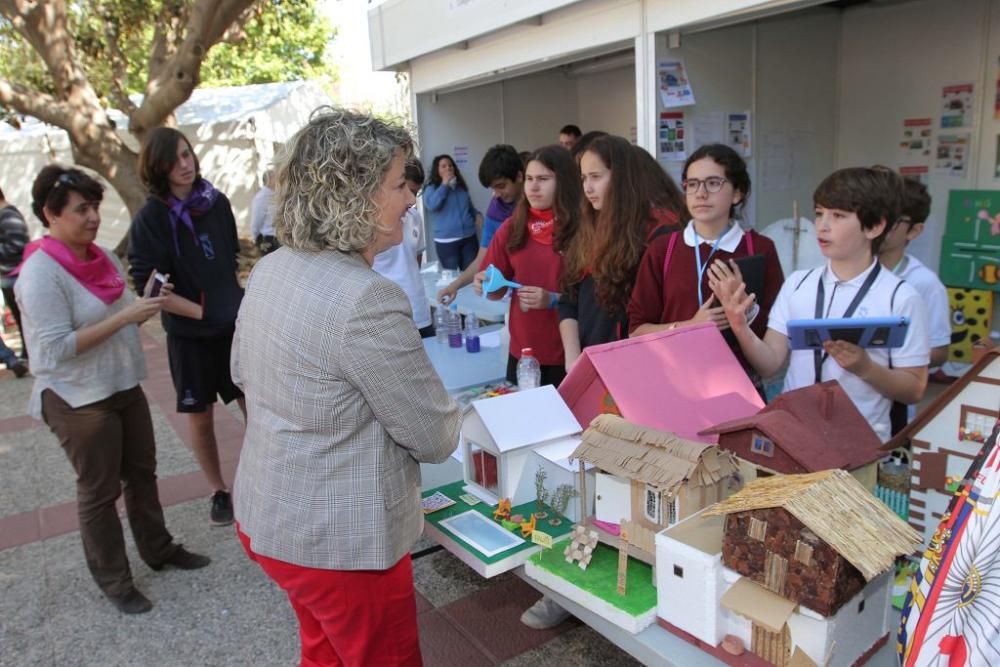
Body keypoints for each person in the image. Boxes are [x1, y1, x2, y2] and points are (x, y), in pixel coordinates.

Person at [232, 107, 460, 667]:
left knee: (324, 653)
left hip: (271, 517)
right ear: (352, 192)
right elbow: (432, 437)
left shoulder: (272, 268)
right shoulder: (366, 298)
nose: (411, 198)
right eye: (399, 183)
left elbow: (242, 374)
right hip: (343, 545)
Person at [16, 166, 209, 614]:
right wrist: (125, 316)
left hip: (121, 383)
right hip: (77, 398)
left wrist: (151, 303)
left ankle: (158, 549)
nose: (93, 217)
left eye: (95, 207)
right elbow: (55, 349)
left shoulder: (99, 256)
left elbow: (127, 311)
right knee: (99, 491)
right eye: (81, 209)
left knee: (142, 474)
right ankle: (114, 579)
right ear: (51, 214)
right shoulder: (41, 274)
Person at [708, 166, 930, 442]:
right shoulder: (799, 284)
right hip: (793, 435)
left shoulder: (900, 296)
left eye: (838, 216)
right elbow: (770, 364)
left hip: (860, 441)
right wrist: (740, 324)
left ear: (875, 226)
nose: (822, 225)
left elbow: (914, 388)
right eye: (819, 213)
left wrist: (865, 368)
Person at [128, 127, 246, 527]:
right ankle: (218, 490)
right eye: (175, 159)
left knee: (256, 404)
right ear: (158, 167)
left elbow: (229, 260)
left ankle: (268, 474)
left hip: (232, 327)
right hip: (189, 335)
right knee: (200, 416)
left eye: (187, 154)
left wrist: (231, 306)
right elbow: (149, 287)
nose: (185, 164)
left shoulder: (217, 202)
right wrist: (200, 312)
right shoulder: (151, 219)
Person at [628, 143, 783, 389]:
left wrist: (744, 311)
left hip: (740, 384)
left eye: (713, 183)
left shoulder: (759, 249)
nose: (701, 193)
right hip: (675, 384)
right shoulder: (663, 249)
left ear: (737, 193)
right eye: (692, 184)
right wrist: (690, 327)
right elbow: (636, 331)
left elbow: (775, 331)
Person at [559, 136, 684, 369]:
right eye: (584, 178)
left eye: (596, 177)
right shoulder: (588, 227)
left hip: (639, 365)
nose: (587, 188)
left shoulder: (658, 233)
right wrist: (573, 358)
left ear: (621, 179)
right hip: (589, 361)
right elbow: (569, 299)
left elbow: (659, 315)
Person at [473, 145, 581, 387]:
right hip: (524, 356)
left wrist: (554, 299)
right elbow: (496, 288)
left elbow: (598, 300)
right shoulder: (512, 228)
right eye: (530, 179)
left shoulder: (584, 229)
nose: (533, 187)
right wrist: (485, 283)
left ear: (564, 181)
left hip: (572, 355)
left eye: (543, 179)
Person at [878, 176, 950, 435]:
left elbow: (940, 351)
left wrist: (887, 358)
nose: (880, 226)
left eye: (893, 221)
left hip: (893, 403)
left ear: (914, 230)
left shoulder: (924, 283)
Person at [437, 144, 524, 304]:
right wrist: (455, 286)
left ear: (519, 177)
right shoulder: (496, 208)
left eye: (501, 186)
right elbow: (482, 260)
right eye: (493, 188)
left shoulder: (539, 206)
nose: (497, 194)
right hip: (513, 295)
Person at [373, 160, 434, 337]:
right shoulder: (370, 225)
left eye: (415, 192)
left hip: (419, 310)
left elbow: (416, 261)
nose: (412, 200)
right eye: (404, 189)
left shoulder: (414, 217)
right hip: (389, 314)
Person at [422, 154, 481, 271]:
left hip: (469, 238)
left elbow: (469, 207)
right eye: (443, 166)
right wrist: (444, 185)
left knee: (471, 275)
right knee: (452, 278)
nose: (448, 168)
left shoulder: (460, 187)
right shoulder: (431, 188)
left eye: (450, 165)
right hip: (447, 242)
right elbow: (432, 205)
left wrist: (477, 215)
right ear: (437, 170)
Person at [0, 184, 30, 363]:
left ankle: (30, 354)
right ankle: (28, 354)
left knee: (26, 319)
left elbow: (17, 244)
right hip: (8, 276)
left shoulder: (8, 216)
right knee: (22, 319)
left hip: (16, 275)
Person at [250, 169, 280, 256]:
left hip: (278, 238)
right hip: (267, 238)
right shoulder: (262, 197)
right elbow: (256, 220)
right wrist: (254, 236)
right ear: (269, 179)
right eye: (275, 177)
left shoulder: (276, 194)